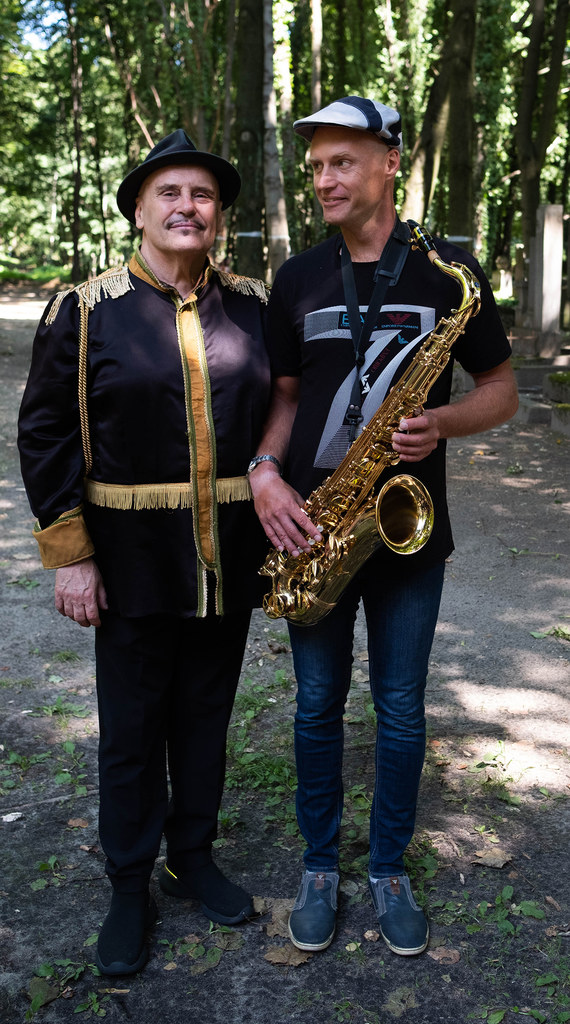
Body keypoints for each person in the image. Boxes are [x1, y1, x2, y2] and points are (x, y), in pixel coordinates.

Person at [248, 97, 519, 957]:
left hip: (406, 532)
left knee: (400, 709)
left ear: (390, 162)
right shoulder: (296, 277)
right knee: (316, 704)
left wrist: (442, 424)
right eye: (317, 165)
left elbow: (501, 390)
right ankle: (321, 864)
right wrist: (263, 475)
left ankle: (390, 867)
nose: (324, 179)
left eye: (342, 163)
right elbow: (285, 398)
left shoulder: (450, 272)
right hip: (314, 532)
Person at [17, 129, 271, 976]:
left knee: (205, 715)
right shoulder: (85, 310)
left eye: (202, 195)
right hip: (128, 560)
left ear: (220, 215)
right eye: (170, 194)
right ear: (139, 210)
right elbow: (46, 431)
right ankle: (130, 883)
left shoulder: (252, 307)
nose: (187, 207)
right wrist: (71, 555)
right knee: (132, 730)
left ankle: (191, 858)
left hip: (227, 557)